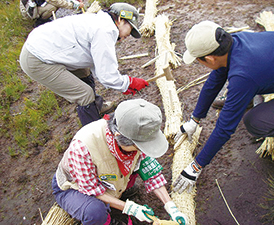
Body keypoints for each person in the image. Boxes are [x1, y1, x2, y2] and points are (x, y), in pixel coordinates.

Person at [173, 21, 274, 194]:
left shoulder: (244, 75)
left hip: (259, 75)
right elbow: (214, 81)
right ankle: (252, 97)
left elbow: (224, 129)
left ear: (209, 59)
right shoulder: (235, 42)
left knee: (255, 122)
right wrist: (194, 120)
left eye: (198, 60)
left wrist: (196, 166)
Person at [52, 99, 188, 225]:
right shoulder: (83, 147)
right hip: (75, 186)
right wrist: (129, 208)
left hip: (106, 178)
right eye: (138, 147)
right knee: (95, 212)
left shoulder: (136, 133)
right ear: (119, 136)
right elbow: (92, 190)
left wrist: (170, 206)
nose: (141, 151)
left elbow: (151, 174)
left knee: (137, 168)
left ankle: (117, 196)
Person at [19, 3, 149, 127]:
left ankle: (96, 106)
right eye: (130, 29)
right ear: (120, 19)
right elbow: (106, 76)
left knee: (85, 73)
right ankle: (94, 133)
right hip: (37, 59)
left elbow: (98, 66)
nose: (129, 35)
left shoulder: (101, 22)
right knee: (84, 94)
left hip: (47, 47)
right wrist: (128, 83)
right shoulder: (105, 30)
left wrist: (122, 85)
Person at [19, 0, 84, 27]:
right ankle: (40, 21)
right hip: (30, 12)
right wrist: (73, 5)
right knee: (52, 7)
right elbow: (56, 2)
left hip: (37, 6)